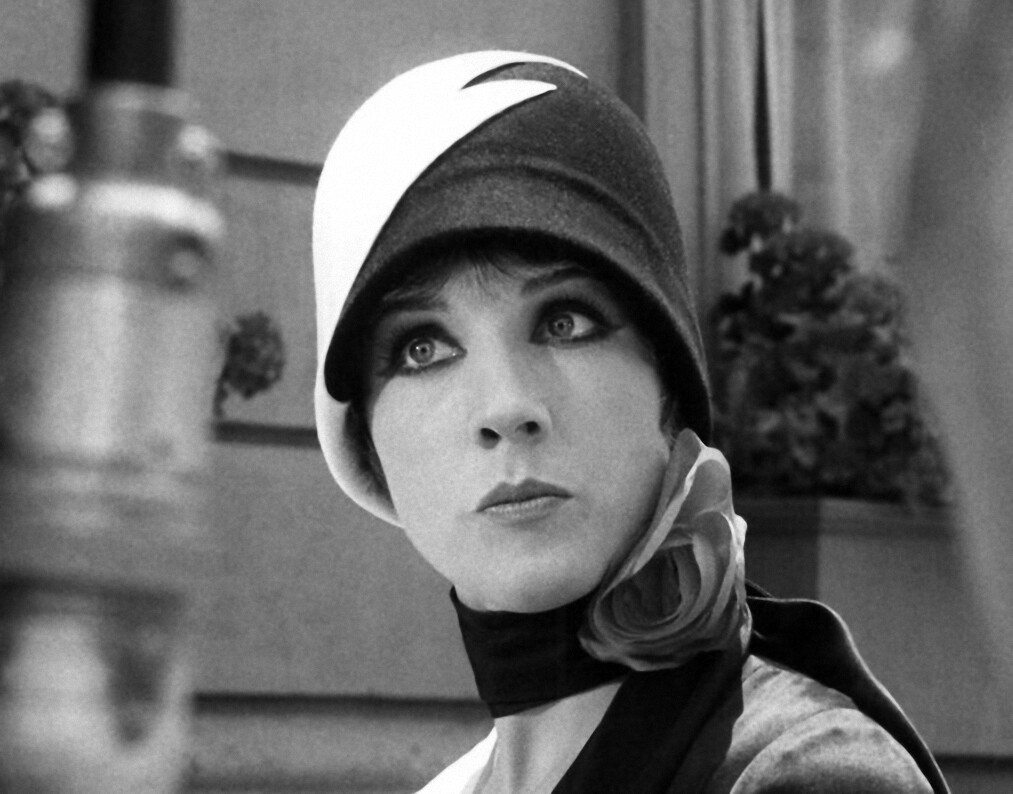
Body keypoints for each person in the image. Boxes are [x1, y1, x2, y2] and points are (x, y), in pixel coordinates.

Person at [311, 51, 949, 794]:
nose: (507, 406)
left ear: (668, 388)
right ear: (366, 445)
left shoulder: (803, 772)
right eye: (423, 347)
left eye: (565, 321)